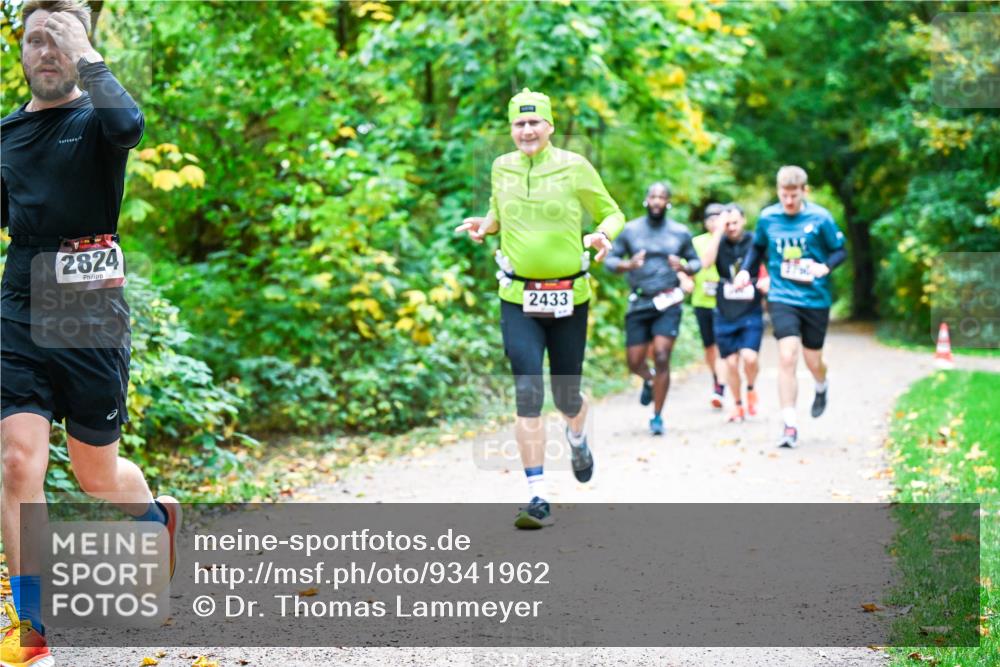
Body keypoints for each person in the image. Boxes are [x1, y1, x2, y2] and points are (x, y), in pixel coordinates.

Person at [1, 3, 180, 664]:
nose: (46, 50)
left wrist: (88, 53)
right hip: (20, 300)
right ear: (20, 51)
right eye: (35, 39)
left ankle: (158, 519)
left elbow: (130, 125)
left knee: (95, 472)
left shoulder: (99, 117)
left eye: (61, 38)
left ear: (80, 47)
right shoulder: (6, 135)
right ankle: (33, 628)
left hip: (89, 307)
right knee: (18, 458)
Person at [455, 89, 624, 529]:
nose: (526, 130)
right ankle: (537, 496)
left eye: (534, 123)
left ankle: (578, 435)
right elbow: (498, 215)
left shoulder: (574, 166)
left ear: (549, 126)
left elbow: (612, 213)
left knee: (567, 395)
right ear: (511, 129)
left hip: (570, 295)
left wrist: (602, 234)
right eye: (518, 124)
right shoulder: (501, 167)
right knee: (528, 392)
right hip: (518, 298)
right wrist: (484, 226)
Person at [734, 166, 847, 448]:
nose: (788, 201)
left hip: (814, 298)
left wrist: (825, 266)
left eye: (793, 195)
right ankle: (789, 424)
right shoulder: (768, 218)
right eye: (784, 195)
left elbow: (839, 250)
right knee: (787, 356)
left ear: (804, 191)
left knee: (813, 362)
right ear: (778, 192)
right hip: (782, 296)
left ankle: (821, 385)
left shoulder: (820, 218)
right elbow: (757, 249)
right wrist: (745, 272)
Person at [605, 182, 701, 436]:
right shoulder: (631, 230)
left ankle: (657, 416)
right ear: (646, 200)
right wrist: (628, 265)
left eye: (662, 197)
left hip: (668, 300)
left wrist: (683, 266)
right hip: (639, 301)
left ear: (668, 202)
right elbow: (609, 260)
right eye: (653, 196)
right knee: (634, 361)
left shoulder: (679, 232)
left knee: (661, 355)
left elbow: (696, 261)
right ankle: (648, 380)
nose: (657, 201)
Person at [697, 204, 768, 423]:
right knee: (729, 363)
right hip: (725, 310)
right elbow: (706, 263)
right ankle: (737, 405)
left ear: (744, 221)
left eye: (735, 223)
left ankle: (751, 388)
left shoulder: (754, 241)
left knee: (750, 357)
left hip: (750, 309)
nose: (732, 227)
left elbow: (769, 263)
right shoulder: (718, 241)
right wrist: (718, 231)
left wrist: (767, 279)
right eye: (727, 224)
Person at [690, 203, 729, 409]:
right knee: (709, 346)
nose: (715, 222)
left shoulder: (730, 239)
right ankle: (716, 378)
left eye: (719, 217)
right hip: (702, 300)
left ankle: (720, 387)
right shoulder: (696, 242)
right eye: (711, 218)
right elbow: (697, 263)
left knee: (723, 344)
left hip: (726, 300)